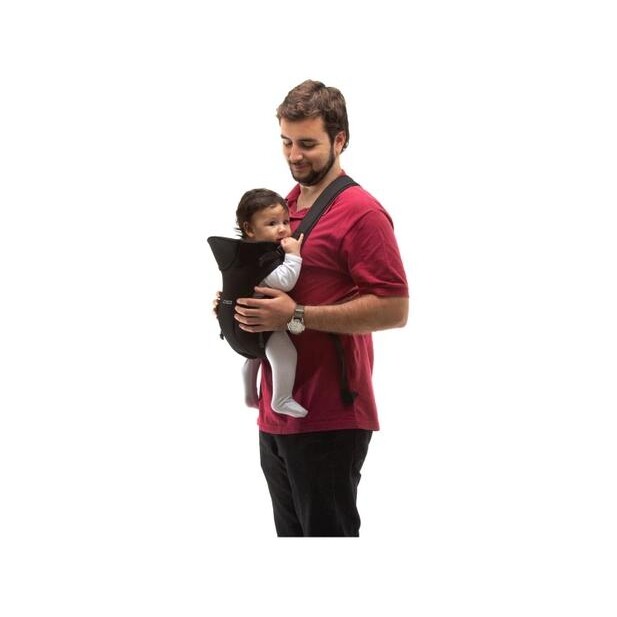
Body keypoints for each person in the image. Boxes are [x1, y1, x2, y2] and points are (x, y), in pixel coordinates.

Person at [233, 80, 409, 537]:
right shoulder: (282, 207)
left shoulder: (362, 213)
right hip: (276, 416)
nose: (294, 156)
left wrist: (295, 315)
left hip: (331, 416)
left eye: (308, 144)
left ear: (340, 140)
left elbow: (394, 308)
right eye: (286, 142)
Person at [235, 188, 307, 419]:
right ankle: (281, 399)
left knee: (254, 357)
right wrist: (293, 254)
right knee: (286, 353)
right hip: (262, 323)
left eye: (286, 221)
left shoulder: (241, 252)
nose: (283, 229)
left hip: (241, 326)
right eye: (272, 223)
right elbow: (285, 281)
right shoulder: (260, 259)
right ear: (249, 229)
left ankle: (249, 395)